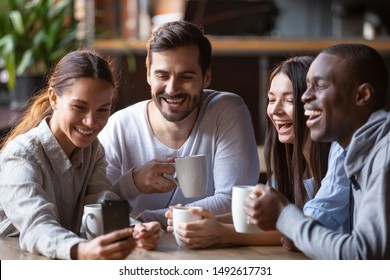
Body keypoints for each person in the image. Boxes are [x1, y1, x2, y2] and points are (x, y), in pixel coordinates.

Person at [0, 50, 162, 260]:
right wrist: (82, 250)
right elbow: (37, 225)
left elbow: (101, 201)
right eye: (79, 107)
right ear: (53, 98)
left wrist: (133, 229)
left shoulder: (93, 150)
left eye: (102, 110)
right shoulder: (21, 155)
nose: (91, 122)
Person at [98, 20, 259, 228]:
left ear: (206, 76)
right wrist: (133, 182)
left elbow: (235, 201)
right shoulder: (119, 126)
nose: (172, 89)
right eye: (162, 75)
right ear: (148, 74)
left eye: (186, 76)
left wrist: (146, 220)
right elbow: (99, 205)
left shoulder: (226, 111)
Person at [165, 56, 331, 249]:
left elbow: (304, 232)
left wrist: (222, 233)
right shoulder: (291, 165)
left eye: (289, 100)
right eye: (271, 100)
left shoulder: (334, 167)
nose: (275, 110)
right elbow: (257, 218)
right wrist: (203, 218)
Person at [244, 43, 390, 259]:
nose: (304, 97)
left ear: (362, 95)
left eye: (319, 86)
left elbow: (364, 257)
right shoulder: (352, 150)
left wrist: (284, 215)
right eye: (307, 87)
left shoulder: (384, 153)